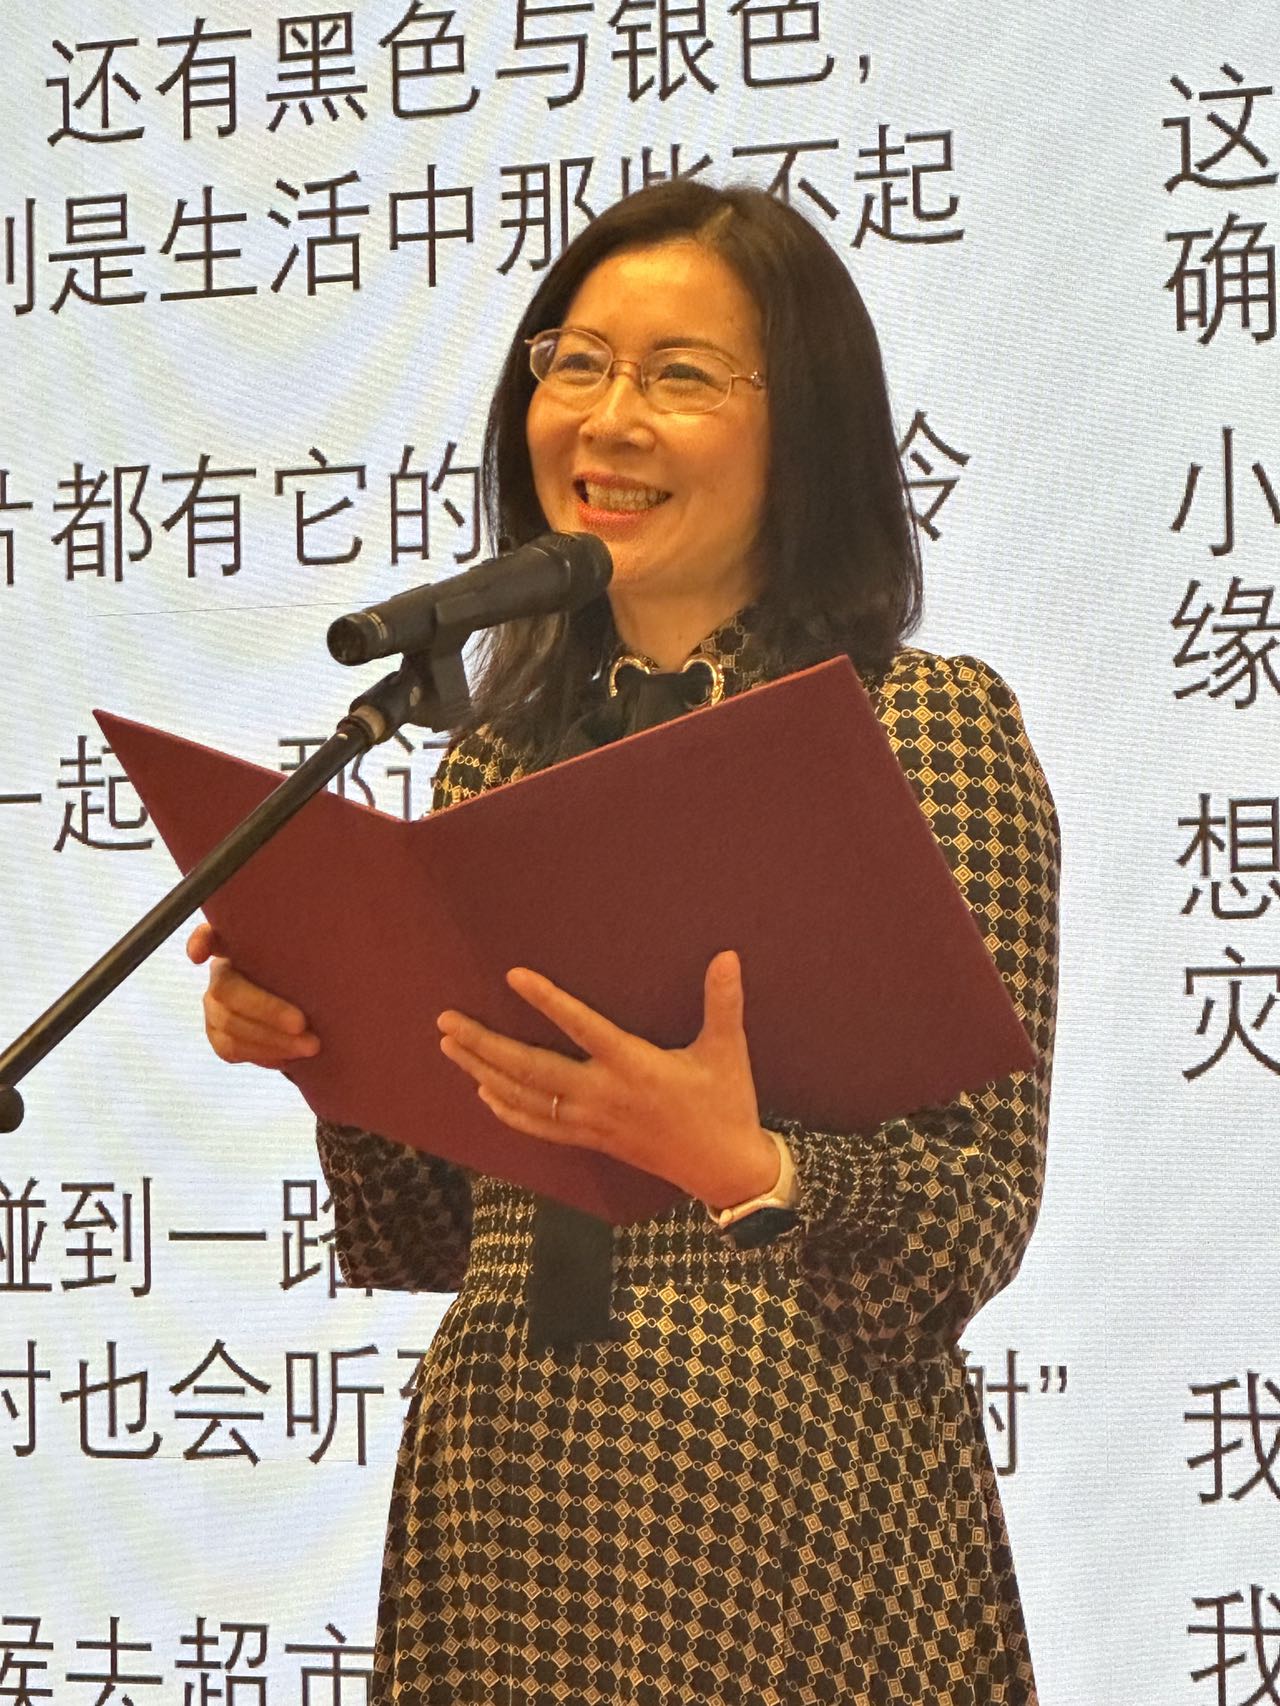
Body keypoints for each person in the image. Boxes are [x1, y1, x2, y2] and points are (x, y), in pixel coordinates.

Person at [190, 180, 1059, 1706]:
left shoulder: (920, 728)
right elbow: (438, 1233)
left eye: (678, 376)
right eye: (575, 364)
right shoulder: (492, 758)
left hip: (801, 1512)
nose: (607, 420)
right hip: (509, 1499)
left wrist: (751, 1165)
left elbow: (972, 1215)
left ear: (807, 426)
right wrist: (329, 1037)